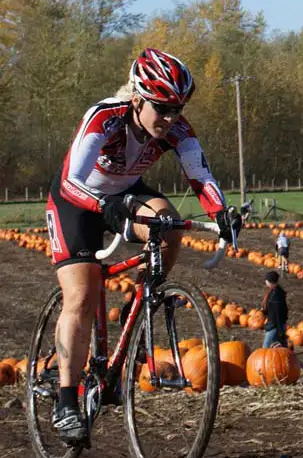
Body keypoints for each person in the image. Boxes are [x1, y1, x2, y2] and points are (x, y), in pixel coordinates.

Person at [44, 49, 236, 445]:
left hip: (126, 194)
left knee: (169, 225)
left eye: (178, 109)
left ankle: (139, 303)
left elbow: (200, 174)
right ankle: (65, 400)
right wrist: (103, 206)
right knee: (81, 295)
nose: (170, 119)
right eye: (162, 109)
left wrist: (220, 213)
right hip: (76, 200)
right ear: (137, 99)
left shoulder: (177, 130)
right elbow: (71, 179)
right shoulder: (105, 117)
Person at [261, 270, 288, 347]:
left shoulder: (276, 296)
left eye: (266, 280)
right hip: (274, 324)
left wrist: (280, 332)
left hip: (275, 326)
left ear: (270, 281)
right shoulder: (274, 291)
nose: (265, 281)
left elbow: (278, 313)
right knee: (279, 348)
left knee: (265, 349)